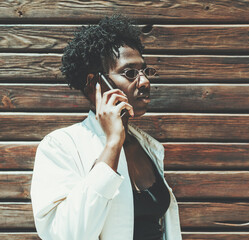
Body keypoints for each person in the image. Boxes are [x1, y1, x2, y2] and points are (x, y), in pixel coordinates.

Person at [30, 14, 182, 240]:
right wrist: (112, 144)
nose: (145, 82)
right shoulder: (61, 146)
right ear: (95, 84)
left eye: (145, 71)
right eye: (130, 73)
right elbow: (67, 234)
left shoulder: (148, 146)